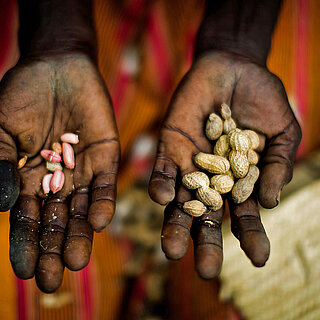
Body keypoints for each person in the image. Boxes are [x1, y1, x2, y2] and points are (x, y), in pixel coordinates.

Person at [0, 0, 301, 299]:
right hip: (86, 28)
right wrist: (56, 37)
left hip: (232, 24)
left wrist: (238, 44)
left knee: (220, 299)